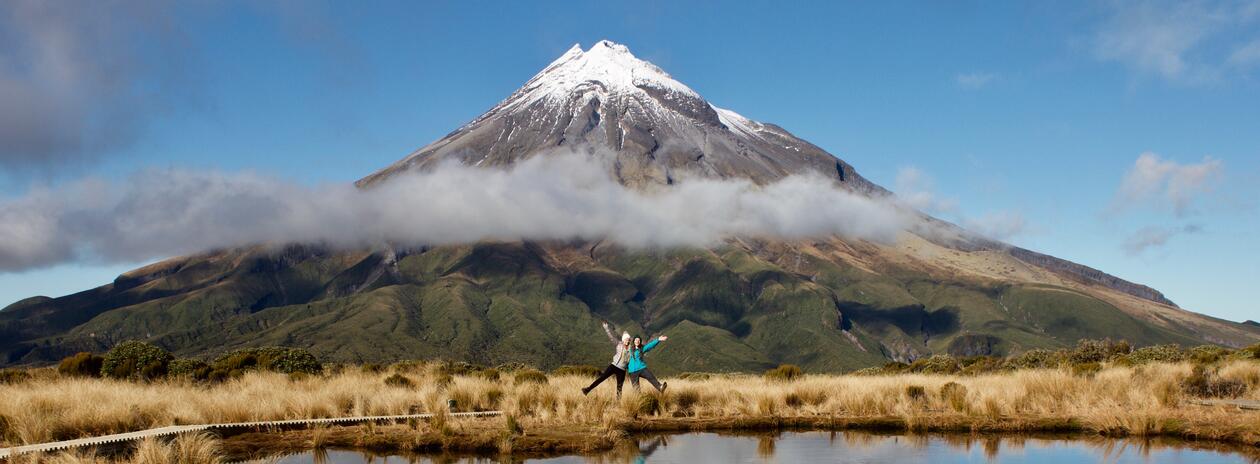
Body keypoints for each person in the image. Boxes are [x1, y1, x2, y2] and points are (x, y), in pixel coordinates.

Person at [582, 321, 630, 398]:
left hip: (622, 370)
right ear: (623, 339)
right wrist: (606, 328)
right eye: (626, 339)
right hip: (613, 366)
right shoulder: (619, 344)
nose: (627, 340)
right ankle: (587, 389)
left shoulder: (631, 349)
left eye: (628, 339)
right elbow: (611, 337)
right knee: (602, 378)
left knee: (619, 387)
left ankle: (618, 403)